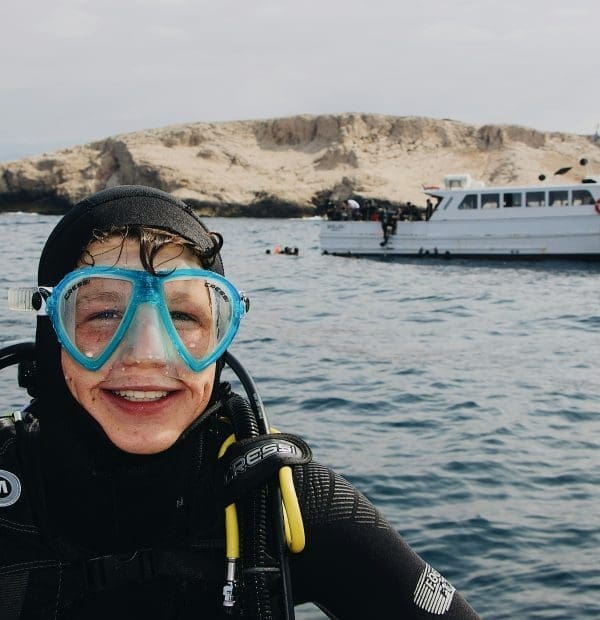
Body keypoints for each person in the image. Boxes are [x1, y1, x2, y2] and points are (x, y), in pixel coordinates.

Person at [0, 185, 480, 619]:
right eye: (103, 311)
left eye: (184, 316)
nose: (146, 354)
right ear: (50, 333)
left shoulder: (283, 503)